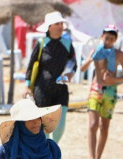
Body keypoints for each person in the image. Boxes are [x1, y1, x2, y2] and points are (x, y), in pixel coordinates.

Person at [80, 24, 123, 159]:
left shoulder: (119, 54)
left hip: (110, 91)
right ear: (102, 37)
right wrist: (91, 59)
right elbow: (82, 68)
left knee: (104, 126)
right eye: (106, 38)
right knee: (93, 124)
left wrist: (115, 79)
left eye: (111, 39)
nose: (108, 41)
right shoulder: (96, 51)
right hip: (96, 89)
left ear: (115, 40)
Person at [23, 11, 77, 144]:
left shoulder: (67, 43)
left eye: (61, 23)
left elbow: (73, 62)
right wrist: (27, 86)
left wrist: (70, 73)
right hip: (42, 90)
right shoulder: (41, 43)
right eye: (57, 24)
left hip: (61, 89)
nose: (60, 26)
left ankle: (53, 148)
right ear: (49, 27)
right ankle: (46, 157)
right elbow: (31, 65)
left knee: (60, 126)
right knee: (44, 127)